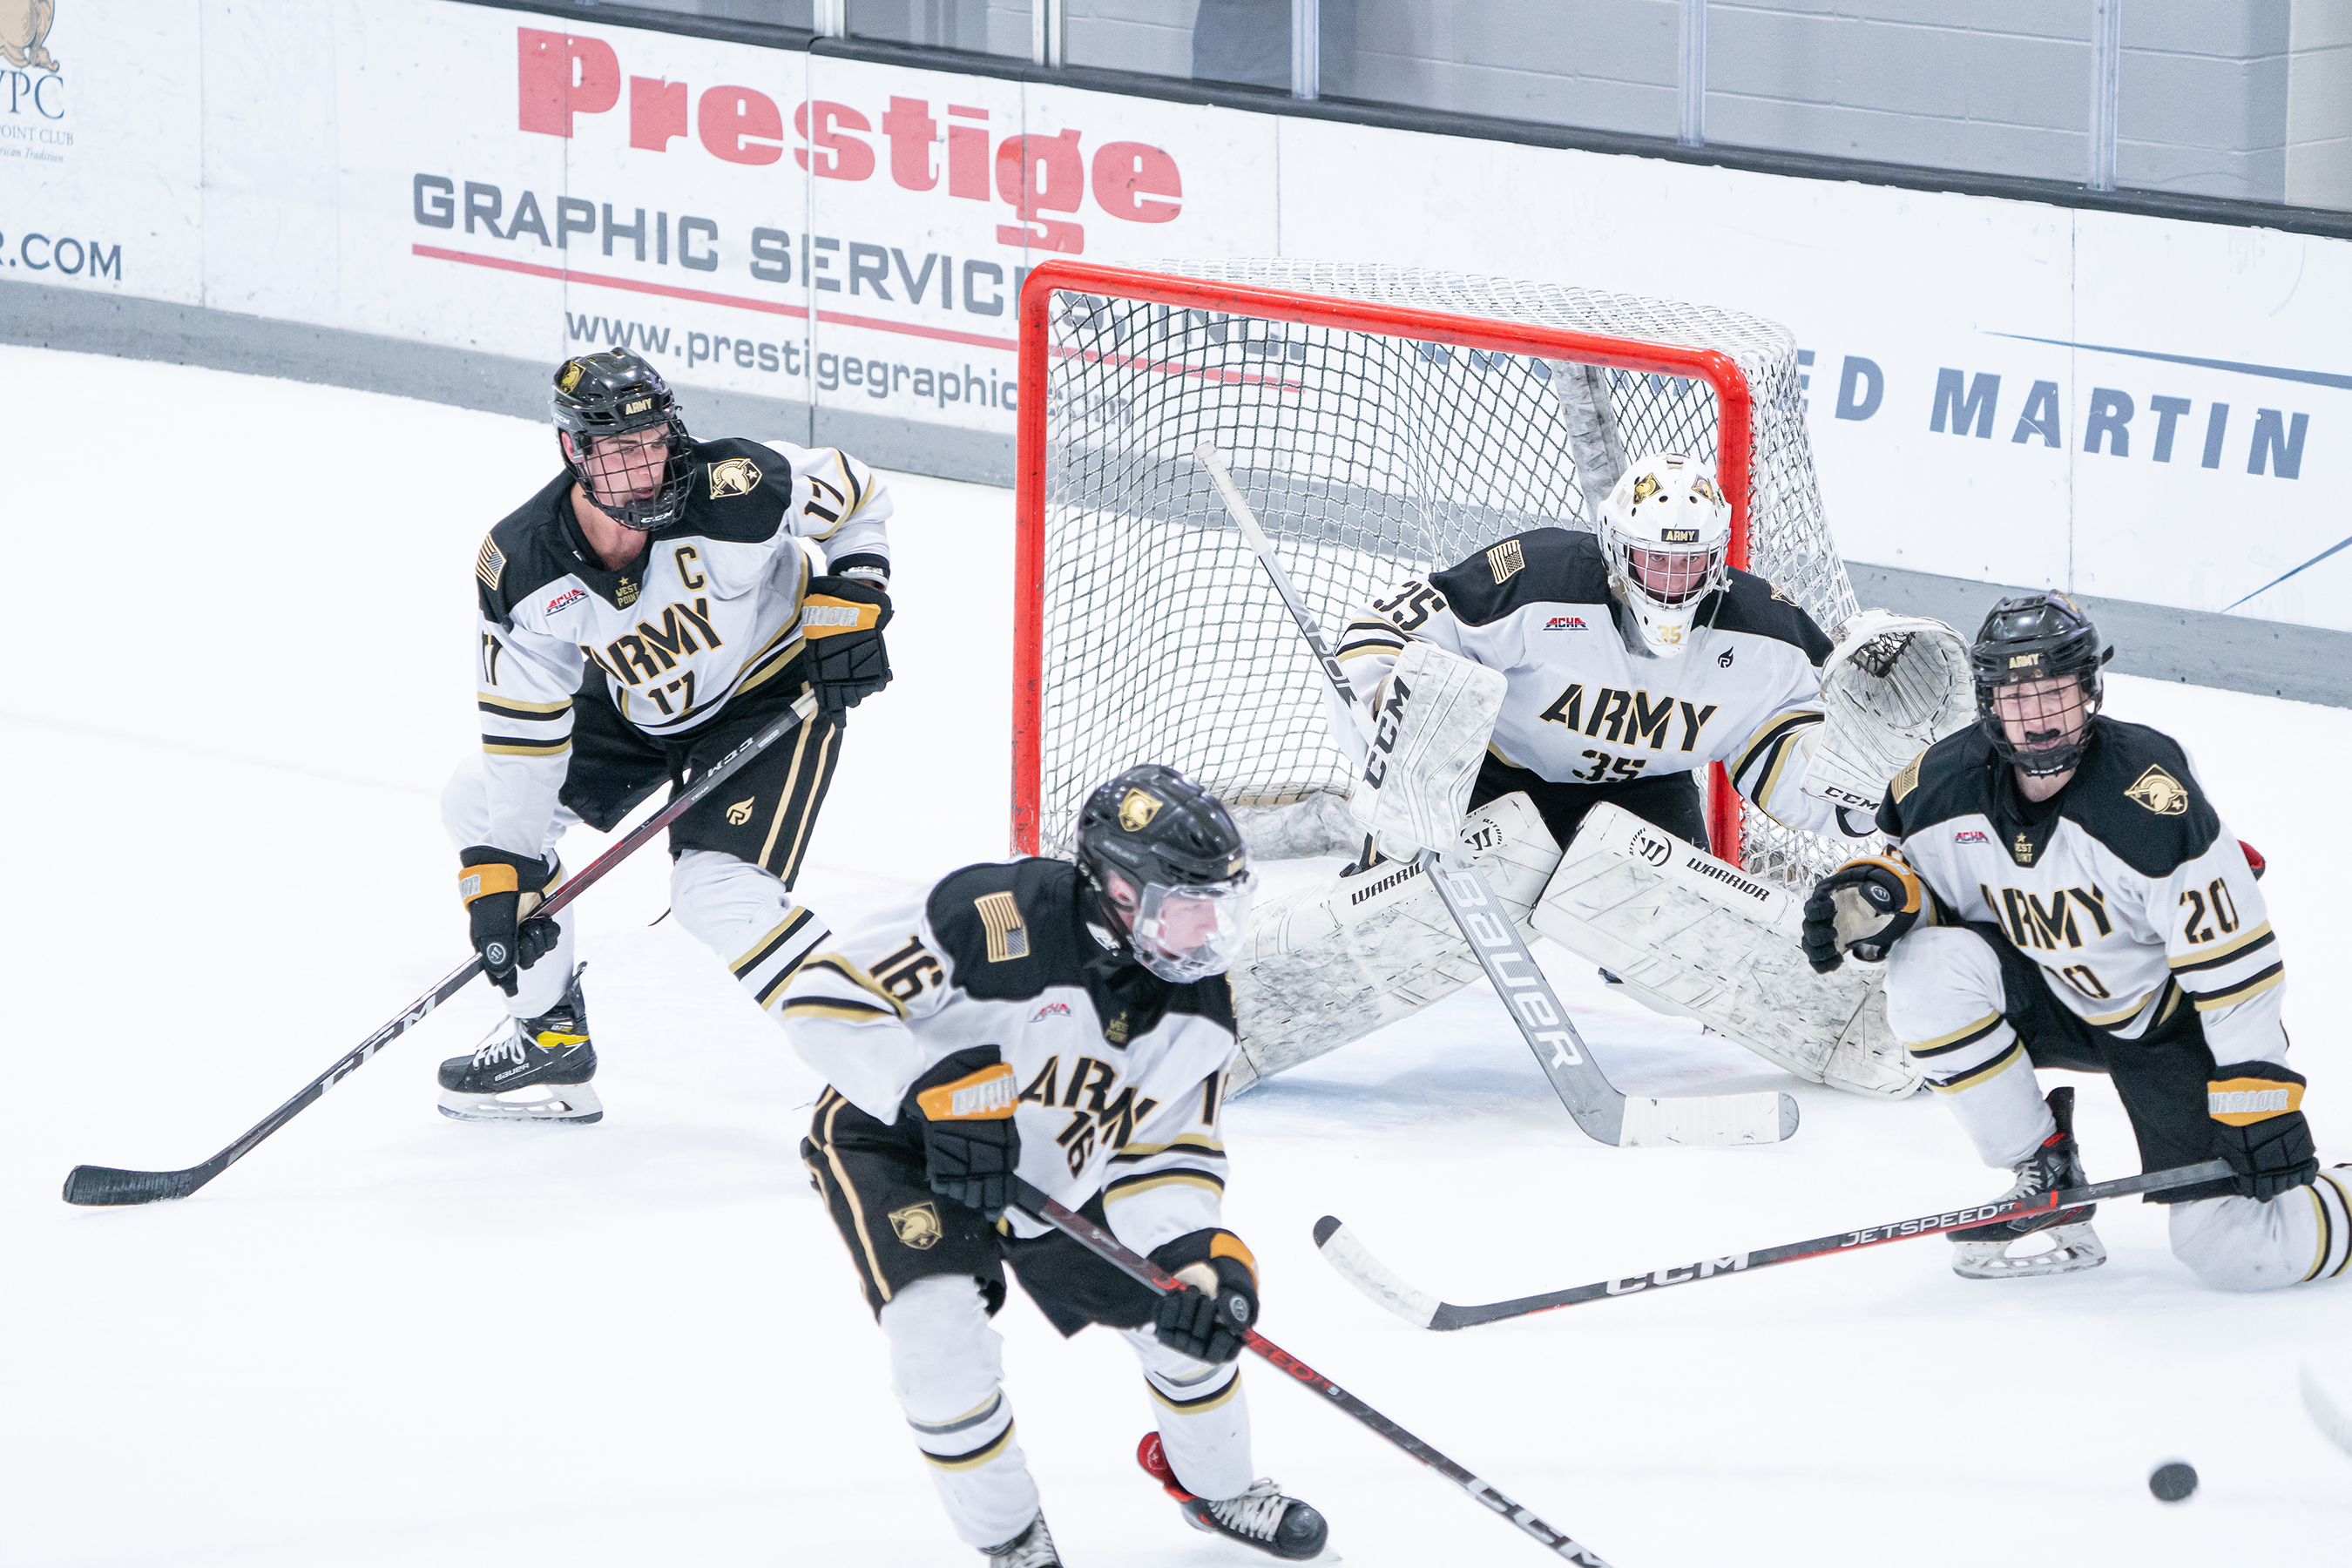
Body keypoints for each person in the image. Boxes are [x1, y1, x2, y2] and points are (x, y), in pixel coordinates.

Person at [1229, 450, 1913, 1097]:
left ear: (1718, 558)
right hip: (1499, 774)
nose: (1670, 580)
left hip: (1645, 793)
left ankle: (1890, 1033)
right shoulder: (1536, 575)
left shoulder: (1768, 632)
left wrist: (1883, 784)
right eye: (1653, 559)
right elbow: (1390, 627)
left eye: (1689, 562)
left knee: (1675, 951)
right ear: (1617, 548)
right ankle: (1226, 1008)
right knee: (1397, 923)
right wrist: (1388, 701)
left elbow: (1803, 759)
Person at [779, 765, 1328, 1565]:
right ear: (1114, 886)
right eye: (1186, 905)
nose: (1208, 929)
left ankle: (1219, 1490)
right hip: (901, 1143)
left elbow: (1166, 1152)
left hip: (1060, 1173)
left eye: (1219, 904)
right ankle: (1011, 1540)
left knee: (1183, 1329)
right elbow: (823, 993)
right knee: (935, 1338)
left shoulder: (1198, 1006)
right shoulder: (991, 916)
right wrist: (922, 1089)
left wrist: (1198, 1262)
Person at [1804, 591, 2348, 1288]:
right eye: (2016, 697)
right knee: (1926, 968)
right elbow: (1923, 884)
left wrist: (2258, 1095)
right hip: (2055, 994)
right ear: (1987, 701)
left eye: (2056, 692)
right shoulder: (1938, 786)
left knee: (2235, 1251)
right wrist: (1880, 892)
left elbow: (2235, 969)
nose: (2038, 720)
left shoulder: (2148, 793)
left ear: (2089, 690)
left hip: (2171, 1025)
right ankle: (2043, 1170)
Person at [437, 347, 895, 1122]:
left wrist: (855, 592)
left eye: (654, 442)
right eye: (619, 450)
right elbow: (522, 731)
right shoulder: (524, 563)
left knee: (716, 891)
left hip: (767, 689)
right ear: (573, 450)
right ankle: (549, 1041)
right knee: (480, 805)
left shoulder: (737, 485)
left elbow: (860, 495)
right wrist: (508, 871)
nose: (646, 468)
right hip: (637, 704)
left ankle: (898, 1081)